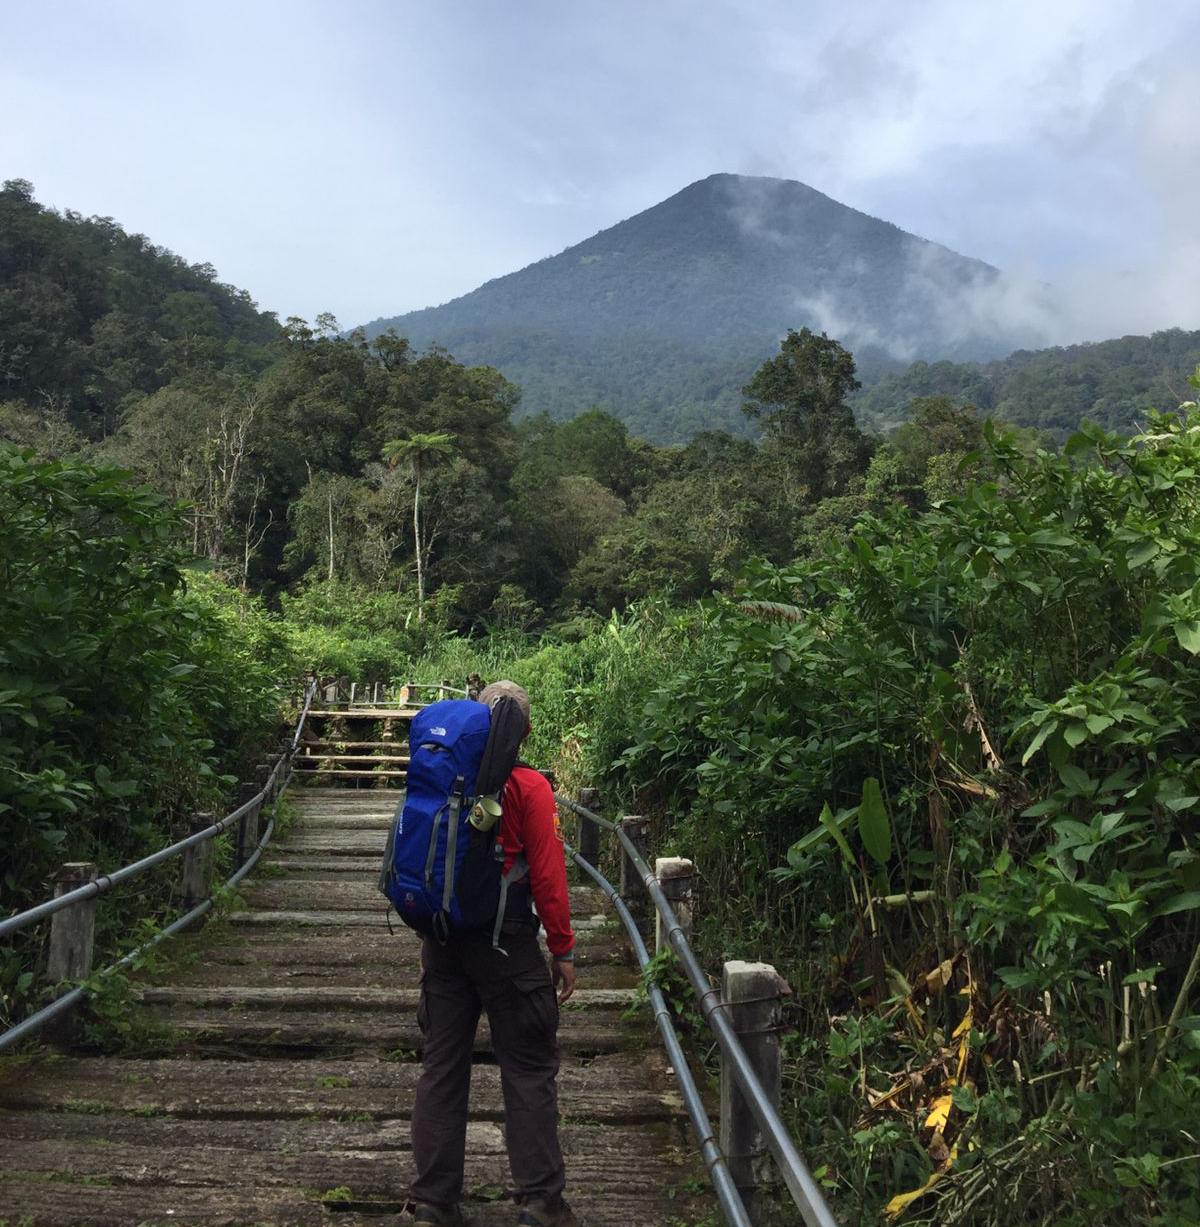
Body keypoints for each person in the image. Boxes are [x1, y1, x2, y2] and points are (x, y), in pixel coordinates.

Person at [410, 680, 578, 1227]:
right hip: (507, 947)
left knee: (441, 1067)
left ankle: (434, 1200)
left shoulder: (440, 778)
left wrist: (427, 938)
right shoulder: (529, 786)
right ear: (525, 729)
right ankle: (540, 1202)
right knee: (528, 1070)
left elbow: (429, 862)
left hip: (443, 942)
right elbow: (549, 875)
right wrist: (563, 948)